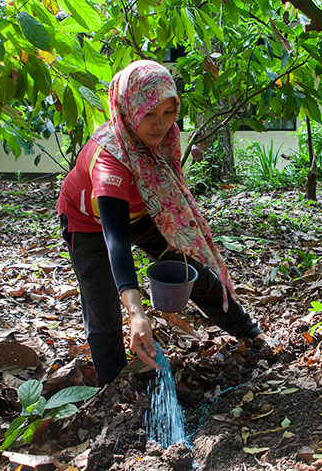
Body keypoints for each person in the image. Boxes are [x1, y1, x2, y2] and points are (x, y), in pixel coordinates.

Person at [57, 60, 265, 385]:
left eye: (168, 113)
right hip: (89, 221)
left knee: (190, 271)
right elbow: (116, 242)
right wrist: (137, 312)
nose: (160, 125)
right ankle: (114, 387)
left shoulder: (164, 136)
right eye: (149, 114)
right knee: (102, 306)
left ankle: (251, 334)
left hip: (143, 212)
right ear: (129, 108)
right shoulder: (109, 159)